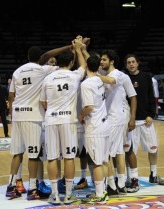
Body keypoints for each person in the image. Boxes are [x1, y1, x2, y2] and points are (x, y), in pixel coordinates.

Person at [6, 43, 72, 201]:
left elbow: (11, 95)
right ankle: (33, 189)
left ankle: (11, 187)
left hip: (17, 115)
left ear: (28, 57)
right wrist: (69, 47)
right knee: (34, 155)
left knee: (17, 153)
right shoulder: (43, 70)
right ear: (40, 58)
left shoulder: (17, 71)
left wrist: (11, 115)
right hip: (33, 116)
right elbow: (52, 59)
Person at [40, 37, 85, 205]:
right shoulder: (74, 76)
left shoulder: (48, 78)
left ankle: (54, 195)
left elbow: (43, 103)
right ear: (71, 62)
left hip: (51, 120)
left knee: (52, 158)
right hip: (68, 121)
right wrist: (79, 48)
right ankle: (67, 195)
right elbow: (84, 66)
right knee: (69, 158)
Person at [124, 54, 164, 186]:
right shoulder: (124, 79)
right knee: (129, 151)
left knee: (153, 148)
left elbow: (152, 96)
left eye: (133, 62)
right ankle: (130, 177)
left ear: (138, 63)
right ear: (126, 65)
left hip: (145, 120)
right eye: (128, 62)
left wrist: (151, 114)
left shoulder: (147, 77)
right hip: (130, 122)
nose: (131, 64)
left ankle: (154, 175)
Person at [97, 49, 136, 196]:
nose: (101, 62)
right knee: (119, 152)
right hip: (113, 118)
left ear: (112, 61)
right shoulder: (105, 74)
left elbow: (133, 97)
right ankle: (120, 184)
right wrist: (82, 50)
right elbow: (92, 64)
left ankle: (112, 186)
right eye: (101, 60)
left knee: (106, 153)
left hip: (117, 118)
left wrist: (132, 118)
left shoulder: (119, 75)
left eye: (104, 59)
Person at [79, 55, 110, 204]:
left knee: (97, 162)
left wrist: (80, 114)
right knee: (103, 161)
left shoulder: (86, 84)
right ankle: (103, 191)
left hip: (95, 127)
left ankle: (100, 195)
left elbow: (89, 107)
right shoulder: (100, 79)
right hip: (105, 124)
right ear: (98, 67)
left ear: (85, 67)